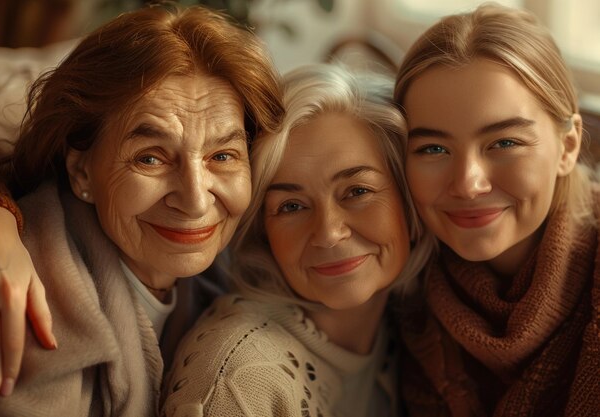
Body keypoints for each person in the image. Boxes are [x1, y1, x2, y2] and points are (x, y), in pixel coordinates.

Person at [0, 4, 283, 414]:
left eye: (223, 156)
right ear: (81, 171)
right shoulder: (36, 311)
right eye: (150, 159)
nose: (195, 200)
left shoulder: (241, 265)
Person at [160, 63, 434, 417]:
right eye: (291, 206)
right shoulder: (238, 380)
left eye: (357, 191)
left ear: (410, 202)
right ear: (263, 230)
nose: (328, 232)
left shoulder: (413, 333)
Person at [392, 4, 600, 416]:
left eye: (505, 143)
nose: (469, 184)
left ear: (569, 145)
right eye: (433, 149)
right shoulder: (400, 289)